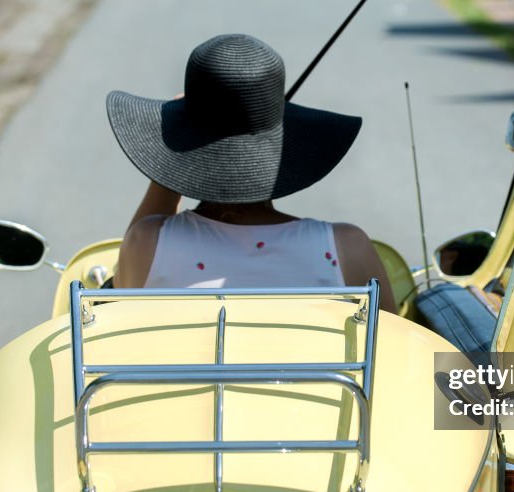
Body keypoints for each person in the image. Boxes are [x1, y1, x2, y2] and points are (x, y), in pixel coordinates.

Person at [106, 33, 395, 312]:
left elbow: (115, 305)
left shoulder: (147, 242)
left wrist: (170, 158)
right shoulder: (347, 247)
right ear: (286, 143)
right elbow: (397, 347)